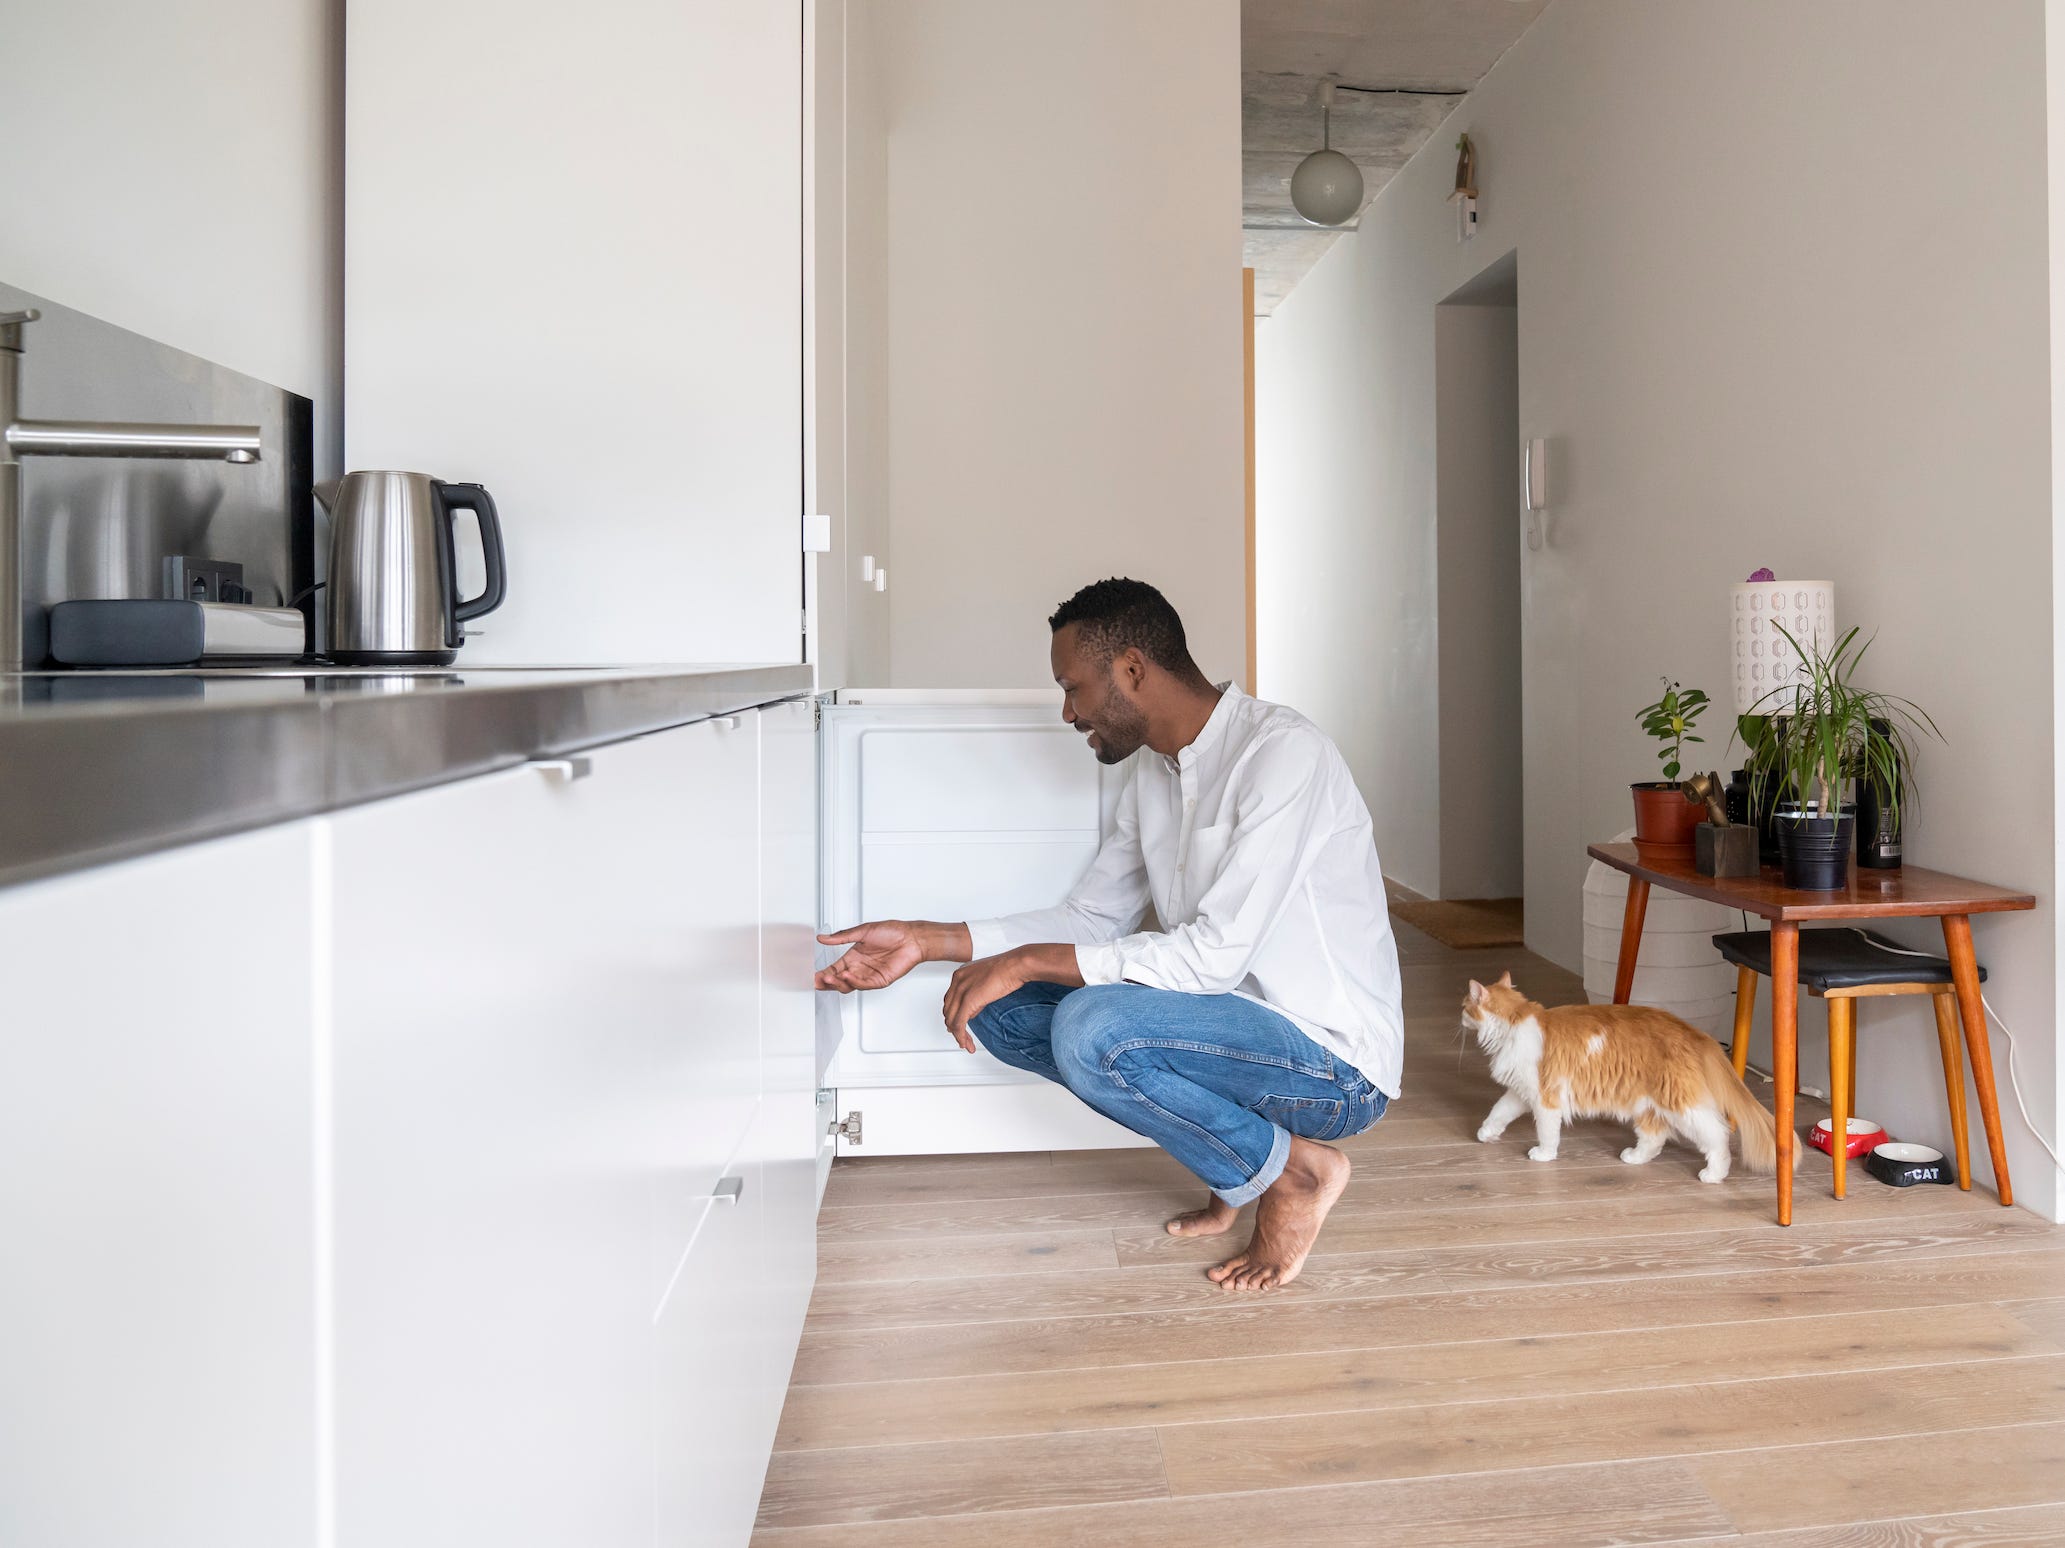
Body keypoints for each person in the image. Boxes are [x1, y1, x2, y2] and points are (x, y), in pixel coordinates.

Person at [816, 577, 1404, 1291]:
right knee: (997, 1000)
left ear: (1131, 669)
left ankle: (1297, 1175)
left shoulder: (1282, 755)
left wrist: (1029, 957)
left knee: (1093, 1024)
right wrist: (926, 939)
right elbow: (1091, 920)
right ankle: (1245, 1160)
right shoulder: (1157, 774)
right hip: (1235, 1030)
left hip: (1333, 1064)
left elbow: (1213, 956)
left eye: (1073, 688)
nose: (1067, 712)